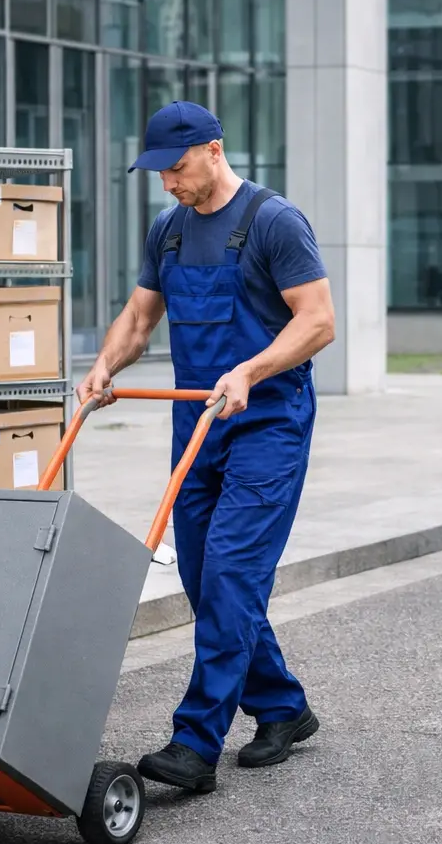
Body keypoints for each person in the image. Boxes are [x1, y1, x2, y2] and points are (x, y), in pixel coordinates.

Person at [76, 100, 335, 793]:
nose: (167, 182)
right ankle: (283, 706)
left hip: (268, 422)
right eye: (158, 171)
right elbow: (139, 317)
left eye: (178, 167)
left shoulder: (274, 222)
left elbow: (318, 322)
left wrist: (251, 370)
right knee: (200, 575)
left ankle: (196, 743)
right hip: (196, 425)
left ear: (213, 151)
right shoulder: (167, 229)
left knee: (229, 574)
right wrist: (106, 366)